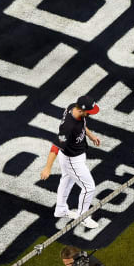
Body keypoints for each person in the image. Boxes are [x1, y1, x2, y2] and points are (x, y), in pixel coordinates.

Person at [40, 95, 101, 229]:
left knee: (67, 181)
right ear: (81, 110)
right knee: (89, 187)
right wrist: (47, 168)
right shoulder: (68, 127)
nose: (90, 114)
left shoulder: (74, 107)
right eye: (89, 112)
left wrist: (90, 135)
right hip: (72, 160)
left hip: (74, 155)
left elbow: (82, 125)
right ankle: (83, 216)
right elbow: (56, 146)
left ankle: (60, 209)